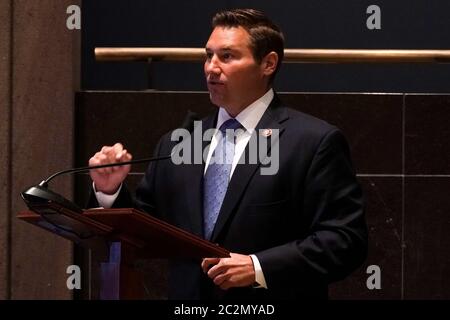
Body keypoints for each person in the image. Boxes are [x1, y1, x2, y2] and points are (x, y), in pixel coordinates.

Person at [88, 8, 367, 299]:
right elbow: (142, 232)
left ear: (268, 64)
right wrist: (109, 193)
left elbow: (345, 240)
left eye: (227, 56)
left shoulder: (312, 142)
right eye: (208, 55)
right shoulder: (178, 144)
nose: (211, 67)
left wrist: (258, 267)